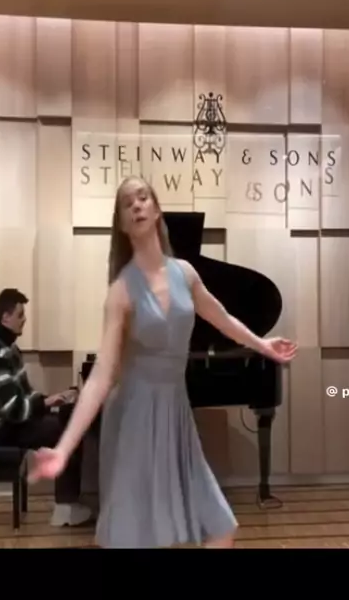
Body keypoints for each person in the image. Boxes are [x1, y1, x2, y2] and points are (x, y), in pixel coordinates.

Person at [29, 176, 297, 548]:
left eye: (143, 198)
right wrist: (63, 449)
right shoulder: (121, 291)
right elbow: (102, 375)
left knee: (222, 526)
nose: (137, 205)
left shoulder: (185, 273)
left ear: (156, 211)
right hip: (134, 415)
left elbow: (223, 320)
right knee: (135, 535)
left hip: (175, 412)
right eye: (128, 203)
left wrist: (262, 345)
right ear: (122, 224)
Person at [0, 287, 92, 527]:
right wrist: (46, 403)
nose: (25, 320)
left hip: (14, 423)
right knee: (65, 432)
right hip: (4, 429)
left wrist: (52, 400)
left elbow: (26, 396)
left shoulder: (10, 347)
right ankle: (65, 507)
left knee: (64, 420)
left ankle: (68, 503)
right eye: (20, 315)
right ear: (5, 317)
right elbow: (13, 409)